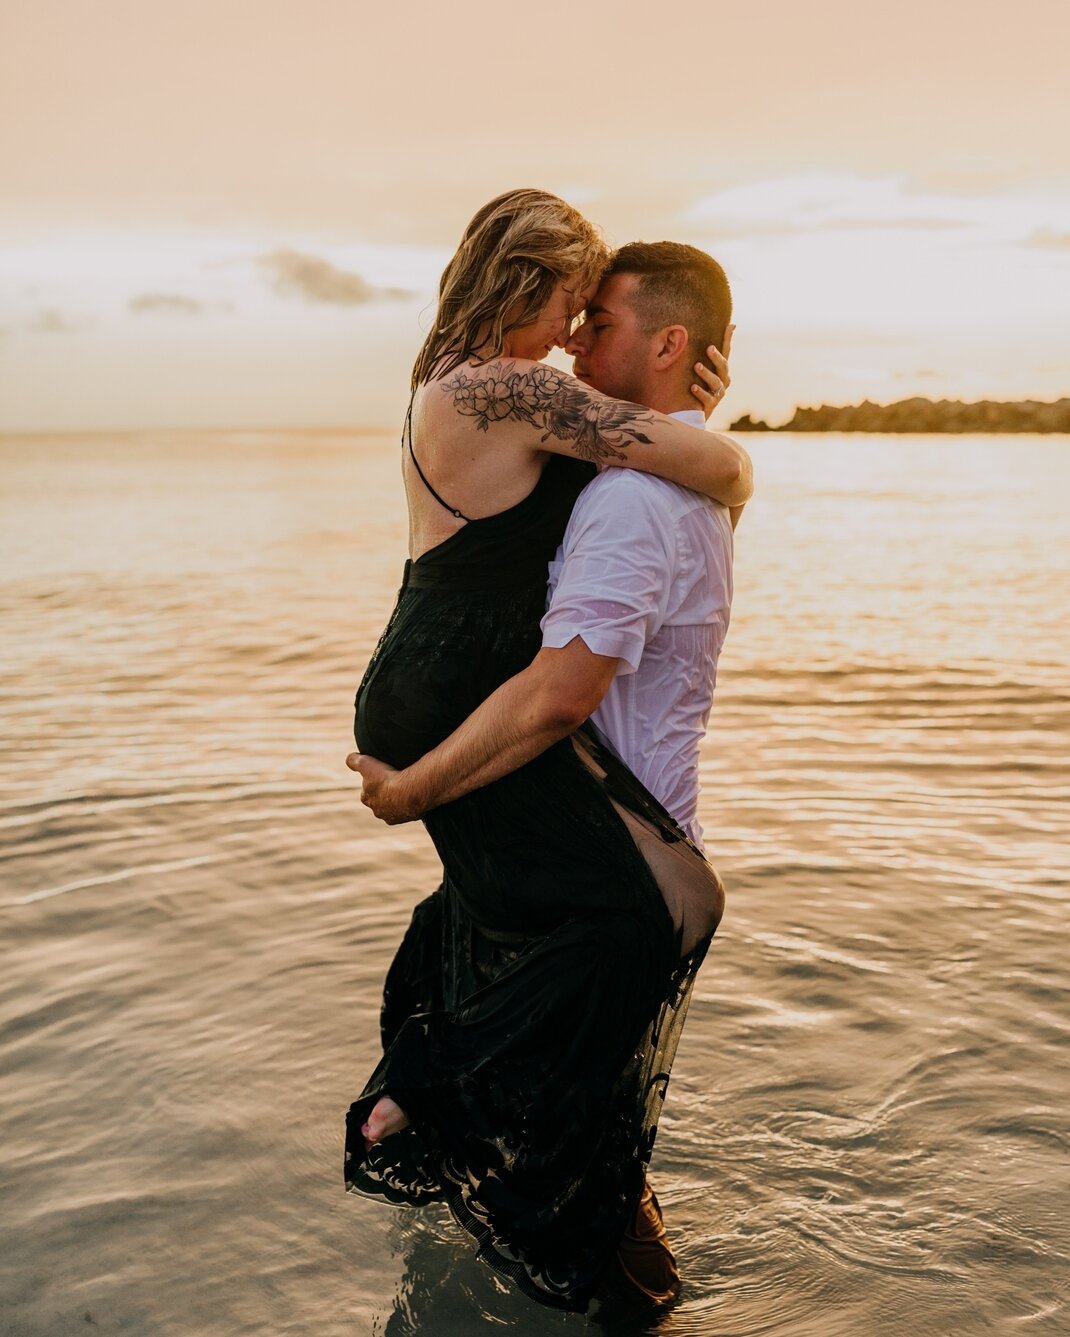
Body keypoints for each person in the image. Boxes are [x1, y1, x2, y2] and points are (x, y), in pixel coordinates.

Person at [343, 189, 752, 1315]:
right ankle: (431, 1093)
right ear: (529, 288)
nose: (575, 333)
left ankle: (434, 1099)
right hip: (448, 688)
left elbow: (634, 448)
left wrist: (682, 399)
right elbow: (713, 472)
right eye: (572, 303)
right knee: (628, 913)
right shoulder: (505, 387)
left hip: (439, 677)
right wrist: (716, 442)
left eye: (593, 316)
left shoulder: (481, 384)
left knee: (516, 906)